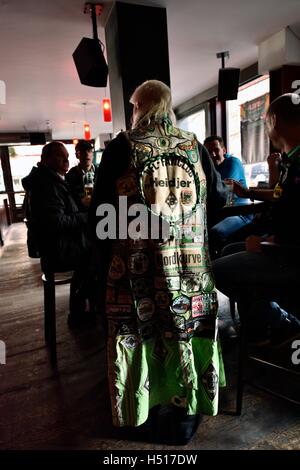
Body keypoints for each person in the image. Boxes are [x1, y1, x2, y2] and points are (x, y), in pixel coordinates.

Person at [90, 80, 227, 445]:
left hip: (139, 270)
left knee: (140, 333)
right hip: (190, 270)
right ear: (168, 109)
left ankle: (143, 409)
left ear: (138, 108)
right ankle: (187, 412)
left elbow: (100, 213)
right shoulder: (193, 144)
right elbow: (218, 198)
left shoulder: (122, 146)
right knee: (187, 329)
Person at [212, 93, 300, 344]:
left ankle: (279, 320)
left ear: (273, 121)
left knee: (216, 271)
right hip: (283, 246)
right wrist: (249, 192)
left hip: (288, 254)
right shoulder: (292, 159)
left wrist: (266, 243)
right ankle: (265, 322)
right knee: (230, 247)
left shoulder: (296, 163)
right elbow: (284, 196)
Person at [23, 141, 95, 327]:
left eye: (67, 156)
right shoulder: (45, 184)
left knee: (96, 250)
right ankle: (86, 309)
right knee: (101, 253)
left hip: (57, 245)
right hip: (57, 250)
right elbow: (56, 222)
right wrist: (85, 216)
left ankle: (81, 308)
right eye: (60, 156)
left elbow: (62, 212)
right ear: (45, 159)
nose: (66, 160)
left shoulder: (49, 179)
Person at [203, 135, 253, 258]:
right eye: (209, 152)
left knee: (215, 233)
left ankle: (218, 268)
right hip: (221, 213)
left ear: (224, 150)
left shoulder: (233, 162)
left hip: (240, 213)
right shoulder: (208, 168)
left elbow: (223, 191)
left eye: (216, 150)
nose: (213, 154)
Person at [66, 140, 97, 211]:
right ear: (77, 155)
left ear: (93, 154)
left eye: (89, 151)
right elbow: (68, 199)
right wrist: (80, 202)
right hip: (80, 216)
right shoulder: (70, 176)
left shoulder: (101, 172)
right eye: (83, 151)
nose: (86, 154)